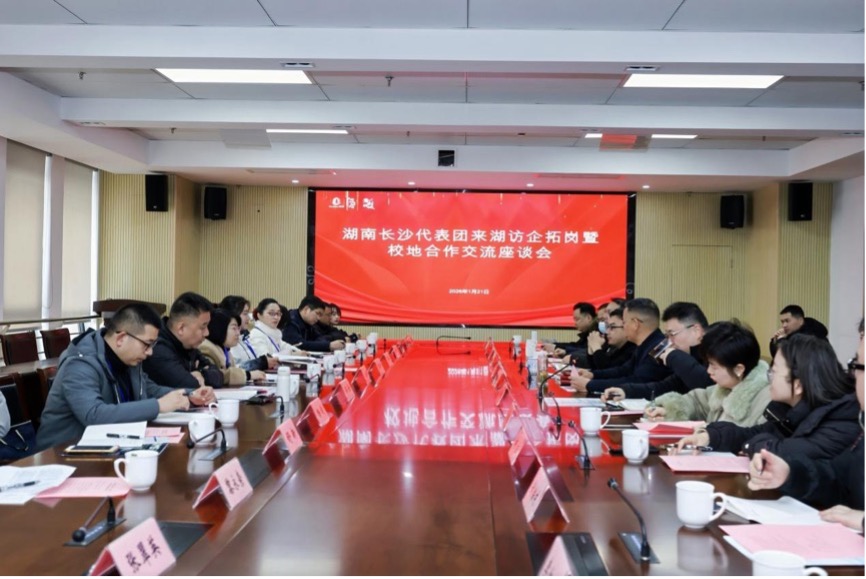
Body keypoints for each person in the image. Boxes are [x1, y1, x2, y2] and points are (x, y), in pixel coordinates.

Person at [37, 304, 215, 450]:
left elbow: (150, 389)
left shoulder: (128, 359)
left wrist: (190, 395)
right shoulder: (80, 364)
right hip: (62, 453)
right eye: (147, 345)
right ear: (121, 338)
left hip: (109, 445)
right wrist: (159, 406)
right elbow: (94, 415)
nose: (150, 352)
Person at [747, 320, 864, 531]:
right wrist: (790, 474)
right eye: (854, 364)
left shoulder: (845, 418)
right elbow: (837, 480)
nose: (853, 375)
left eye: (858, 367)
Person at [676, 334, 860, 461]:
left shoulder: (841, 421)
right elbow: (751, 434)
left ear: (798, 385)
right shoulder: (788, 410)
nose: (768, 376)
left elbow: (780, 451)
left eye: (774, 371)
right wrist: (711, 436)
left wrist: (751, 446)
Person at [643, 321, 770, 426]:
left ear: (739, 369)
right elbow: (696, 402)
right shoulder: (725, 388)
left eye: (714, 366)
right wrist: (667, 409)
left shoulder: (765, 401)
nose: (709, 371)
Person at [602, 302, 713, 401]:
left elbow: (707, 386)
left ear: (696, 331)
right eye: (667, 335)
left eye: (672, 334)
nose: (669, 341)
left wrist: (673, 356)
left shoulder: (717, 350)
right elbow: (664, 387)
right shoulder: (688, 356)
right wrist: (626, 391)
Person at [571, 298, 671, 394]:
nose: (624, 327)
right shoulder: (645, 344)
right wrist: (593, 375)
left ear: (635, 324)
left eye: (624, 323)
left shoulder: (659, 347)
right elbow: (623, 370)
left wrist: (591, 385)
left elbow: (638, 381)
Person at [143, 292, 223, 389]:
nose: (207, 333)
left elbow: (218, 378)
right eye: (203, 327)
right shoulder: (157, 348)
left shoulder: (189, 346)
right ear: (181, 328)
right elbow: (189, 384)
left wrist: (200, 373)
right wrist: (196, 374)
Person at [200, 309, 267, 386]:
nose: (238, 333)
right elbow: (215, 377)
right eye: (234, 328)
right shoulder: (207, 349)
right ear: (220, 328)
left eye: (238, 329)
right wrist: (248, 375)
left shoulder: (226, 350)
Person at [219, 295, 278, 372]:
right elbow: (233, 370)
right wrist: (261, 363)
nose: (249, 318)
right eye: (245, 313)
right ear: (233, 314)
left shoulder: (243, 337)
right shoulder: (228, 341)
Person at [548, 302, 597, 367]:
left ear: (589, 318)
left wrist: (564, 350)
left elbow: (585, 350)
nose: (575, 323)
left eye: (577, 319)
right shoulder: (588, 332)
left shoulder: (596, 332)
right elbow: (577, 345)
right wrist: (556, 345)